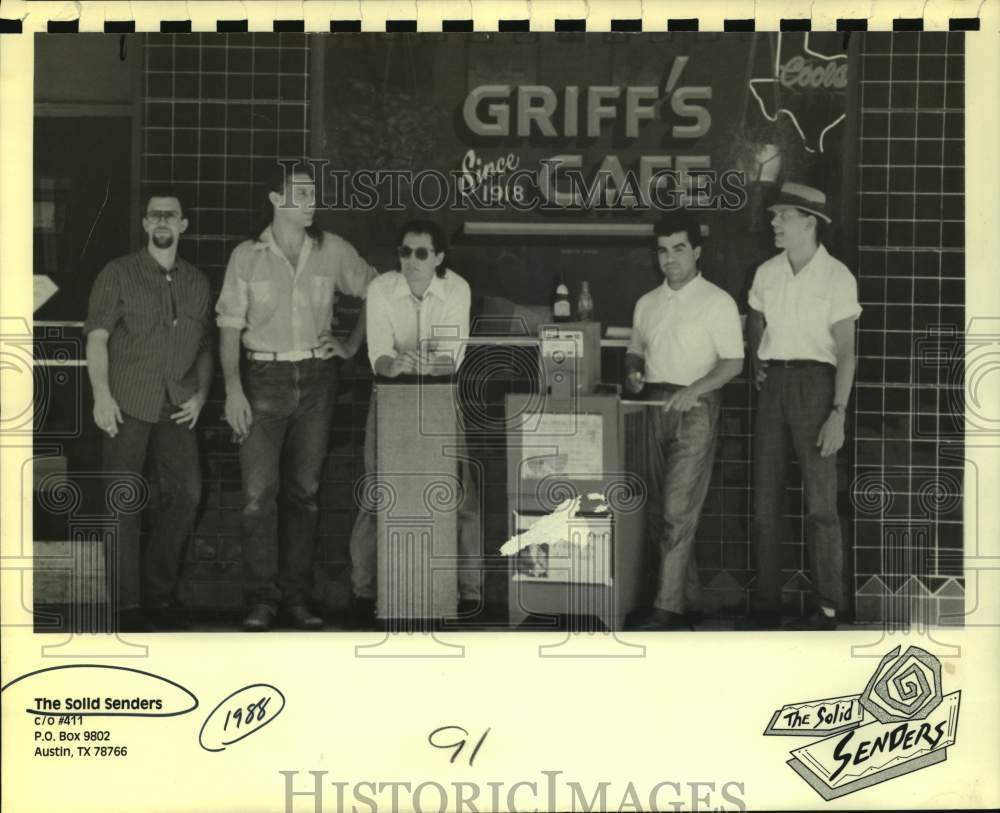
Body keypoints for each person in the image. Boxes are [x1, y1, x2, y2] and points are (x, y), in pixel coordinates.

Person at [216, 161, 377, 632]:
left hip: (317, 379)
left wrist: (349, 345)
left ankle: (296, 600)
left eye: (312, 193)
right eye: (300, 193)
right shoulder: (247, 256)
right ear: (275, 199)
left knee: (304, 494)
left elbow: (378, 289)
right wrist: (232, 391)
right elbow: (228, 327)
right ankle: (260, 601)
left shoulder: (333, 251)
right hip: (261, 377)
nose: (311, 202)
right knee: (256, 497)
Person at [84, 189, 212, 632]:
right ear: (144, 224)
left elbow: (204, 347)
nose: (162, 221)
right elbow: (97, 338)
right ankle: (125, 605)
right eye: (154, 215)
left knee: (187, 494)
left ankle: (158, 597)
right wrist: (101, 394)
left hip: (176, 405)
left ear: (183, 225)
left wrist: (202, 395)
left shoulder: (197, 281)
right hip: (126, 402)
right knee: (121, 500)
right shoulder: (117, 273)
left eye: (171, 215)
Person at [348, 219, 481, 627]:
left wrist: (426, 360)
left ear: (439, 257)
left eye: (422, 253)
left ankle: (469, 591)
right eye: (405, 252)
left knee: (459, 493)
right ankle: (363, 591)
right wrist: (395, 364)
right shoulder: (381, 289)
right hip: (390, 398)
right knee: (376, 491)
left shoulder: (456, 288)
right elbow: (380, 355)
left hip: (441, 397)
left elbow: (450, 354)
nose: (411, 261)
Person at [744, 182, 861, 631]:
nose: (774, 223)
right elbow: (755, 315)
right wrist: (757, 356)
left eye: (783, 217)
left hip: (817, 386)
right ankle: (767, 605)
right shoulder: (767, 272)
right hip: (774, 384)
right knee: (764, 499)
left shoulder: (837, 277)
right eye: (774, 216)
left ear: (809, 223)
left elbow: (848, 351)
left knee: (819, 502)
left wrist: (838, 411)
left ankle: (828, 607)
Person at [624, 212, 744, 631]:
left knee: (678, 507)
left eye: (678, 248)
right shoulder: (647, 302)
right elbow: (635, 348)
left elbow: (734, 362)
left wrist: (695, 390)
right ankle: (687, 598)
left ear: (696, 251)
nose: (670, 258)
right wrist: (633, 370)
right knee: (659, 509)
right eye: (662, 250)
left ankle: (666, 607)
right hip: (654, 407)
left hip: (696, 408)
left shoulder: (717, 301)